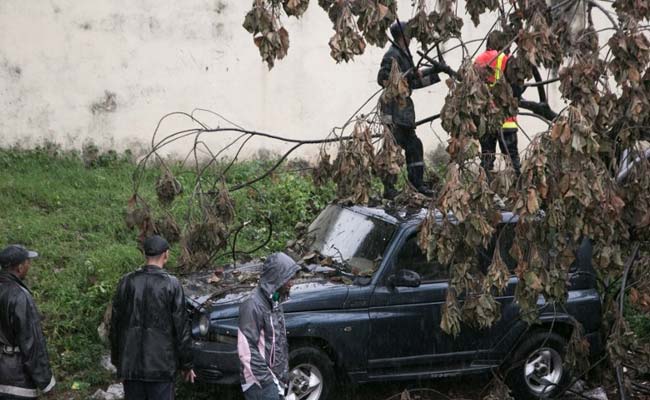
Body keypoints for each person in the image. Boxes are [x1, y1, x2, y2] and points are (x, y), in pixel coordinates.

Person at [109, 235, 194, 400]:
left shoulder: (127, 281)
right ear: (166, 254)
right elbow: (181, 328)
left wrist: (118, 361)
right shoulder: (172, 284)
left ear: (145, 255)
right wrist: (187, 364)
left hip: (131, 367)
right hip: (160, 367)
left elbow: (115, 325)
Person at [377, 21, 453, 198]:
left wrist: (434, 71)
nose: (411, 37)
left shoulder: (403, 54)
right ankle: (389, 190)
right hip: (393, 112)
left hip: (404, 113)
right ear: (402, 36)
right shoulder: (392, 55)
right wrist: (408, 75)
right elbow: (383, 79)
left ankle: (417, 185)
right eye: (409, 34)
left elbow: (414, 82)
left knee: (414, 146)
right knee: (392, 151)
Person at [238, 252, 300, 400]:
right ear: (276, 277)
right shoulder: (252, 304)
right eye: (289, 278)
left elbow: (277, 342)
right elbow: (246, 349)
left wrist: (281, 376)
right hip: (259, 382)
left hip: (275, 378)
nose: (292, 282)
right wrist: (267, 381)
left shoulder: (275, 301)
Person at [0, 245, 56, 399]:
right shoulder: (20, 296)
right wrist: (46, 383)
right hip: (16, 381)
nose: (29, 265)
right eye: (27, 262)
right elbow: (31, 344)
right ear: (19, 267)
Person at [474, 30, 522, 178]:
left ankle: (485, 191)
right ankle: (518, 190)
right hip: (506, 121)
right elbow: (516, 89)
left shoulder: (478, 60)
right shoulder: (505, 59)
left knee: (487, 158)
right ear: (502, 44)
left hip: (486, 120)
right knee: (512, 160)